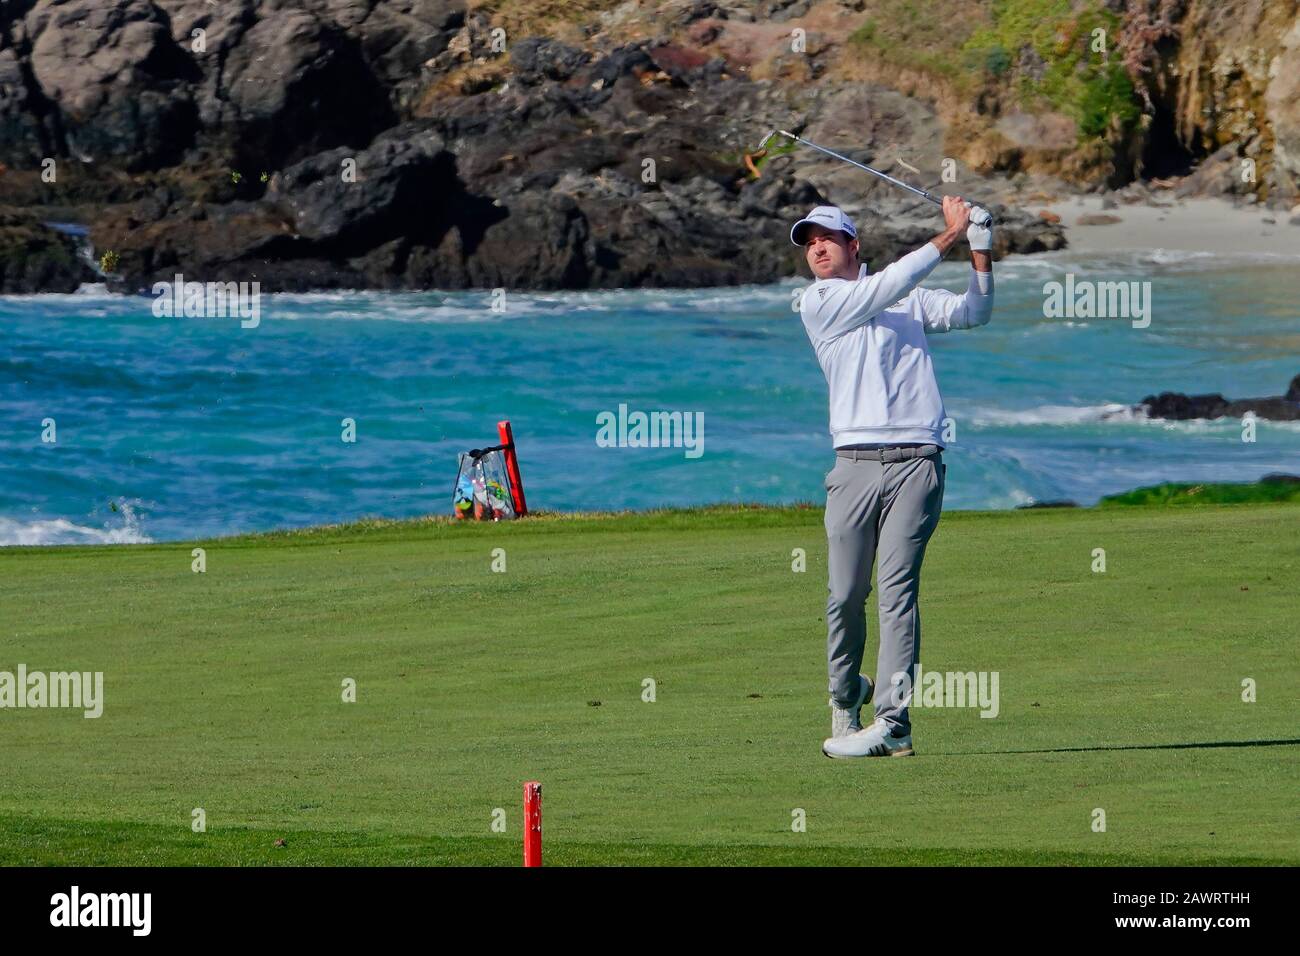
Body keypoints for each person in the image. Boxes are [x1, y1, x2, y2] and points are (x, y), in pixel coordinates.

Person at [792, 197, 994, 758]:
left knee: (897, 593)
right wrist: (950, 233)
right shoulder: (821, 302)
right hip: (853, 464)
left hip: (916, 462)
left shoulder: (906, 299)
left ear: (854, 245)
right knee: (844, 595)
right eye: (809, 242)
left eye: (827, 237)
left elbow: (975, 313)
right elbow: (886, 285)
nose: (818, 248)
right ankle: (843, 695)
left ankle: (893, 722)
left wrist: (979, 246)